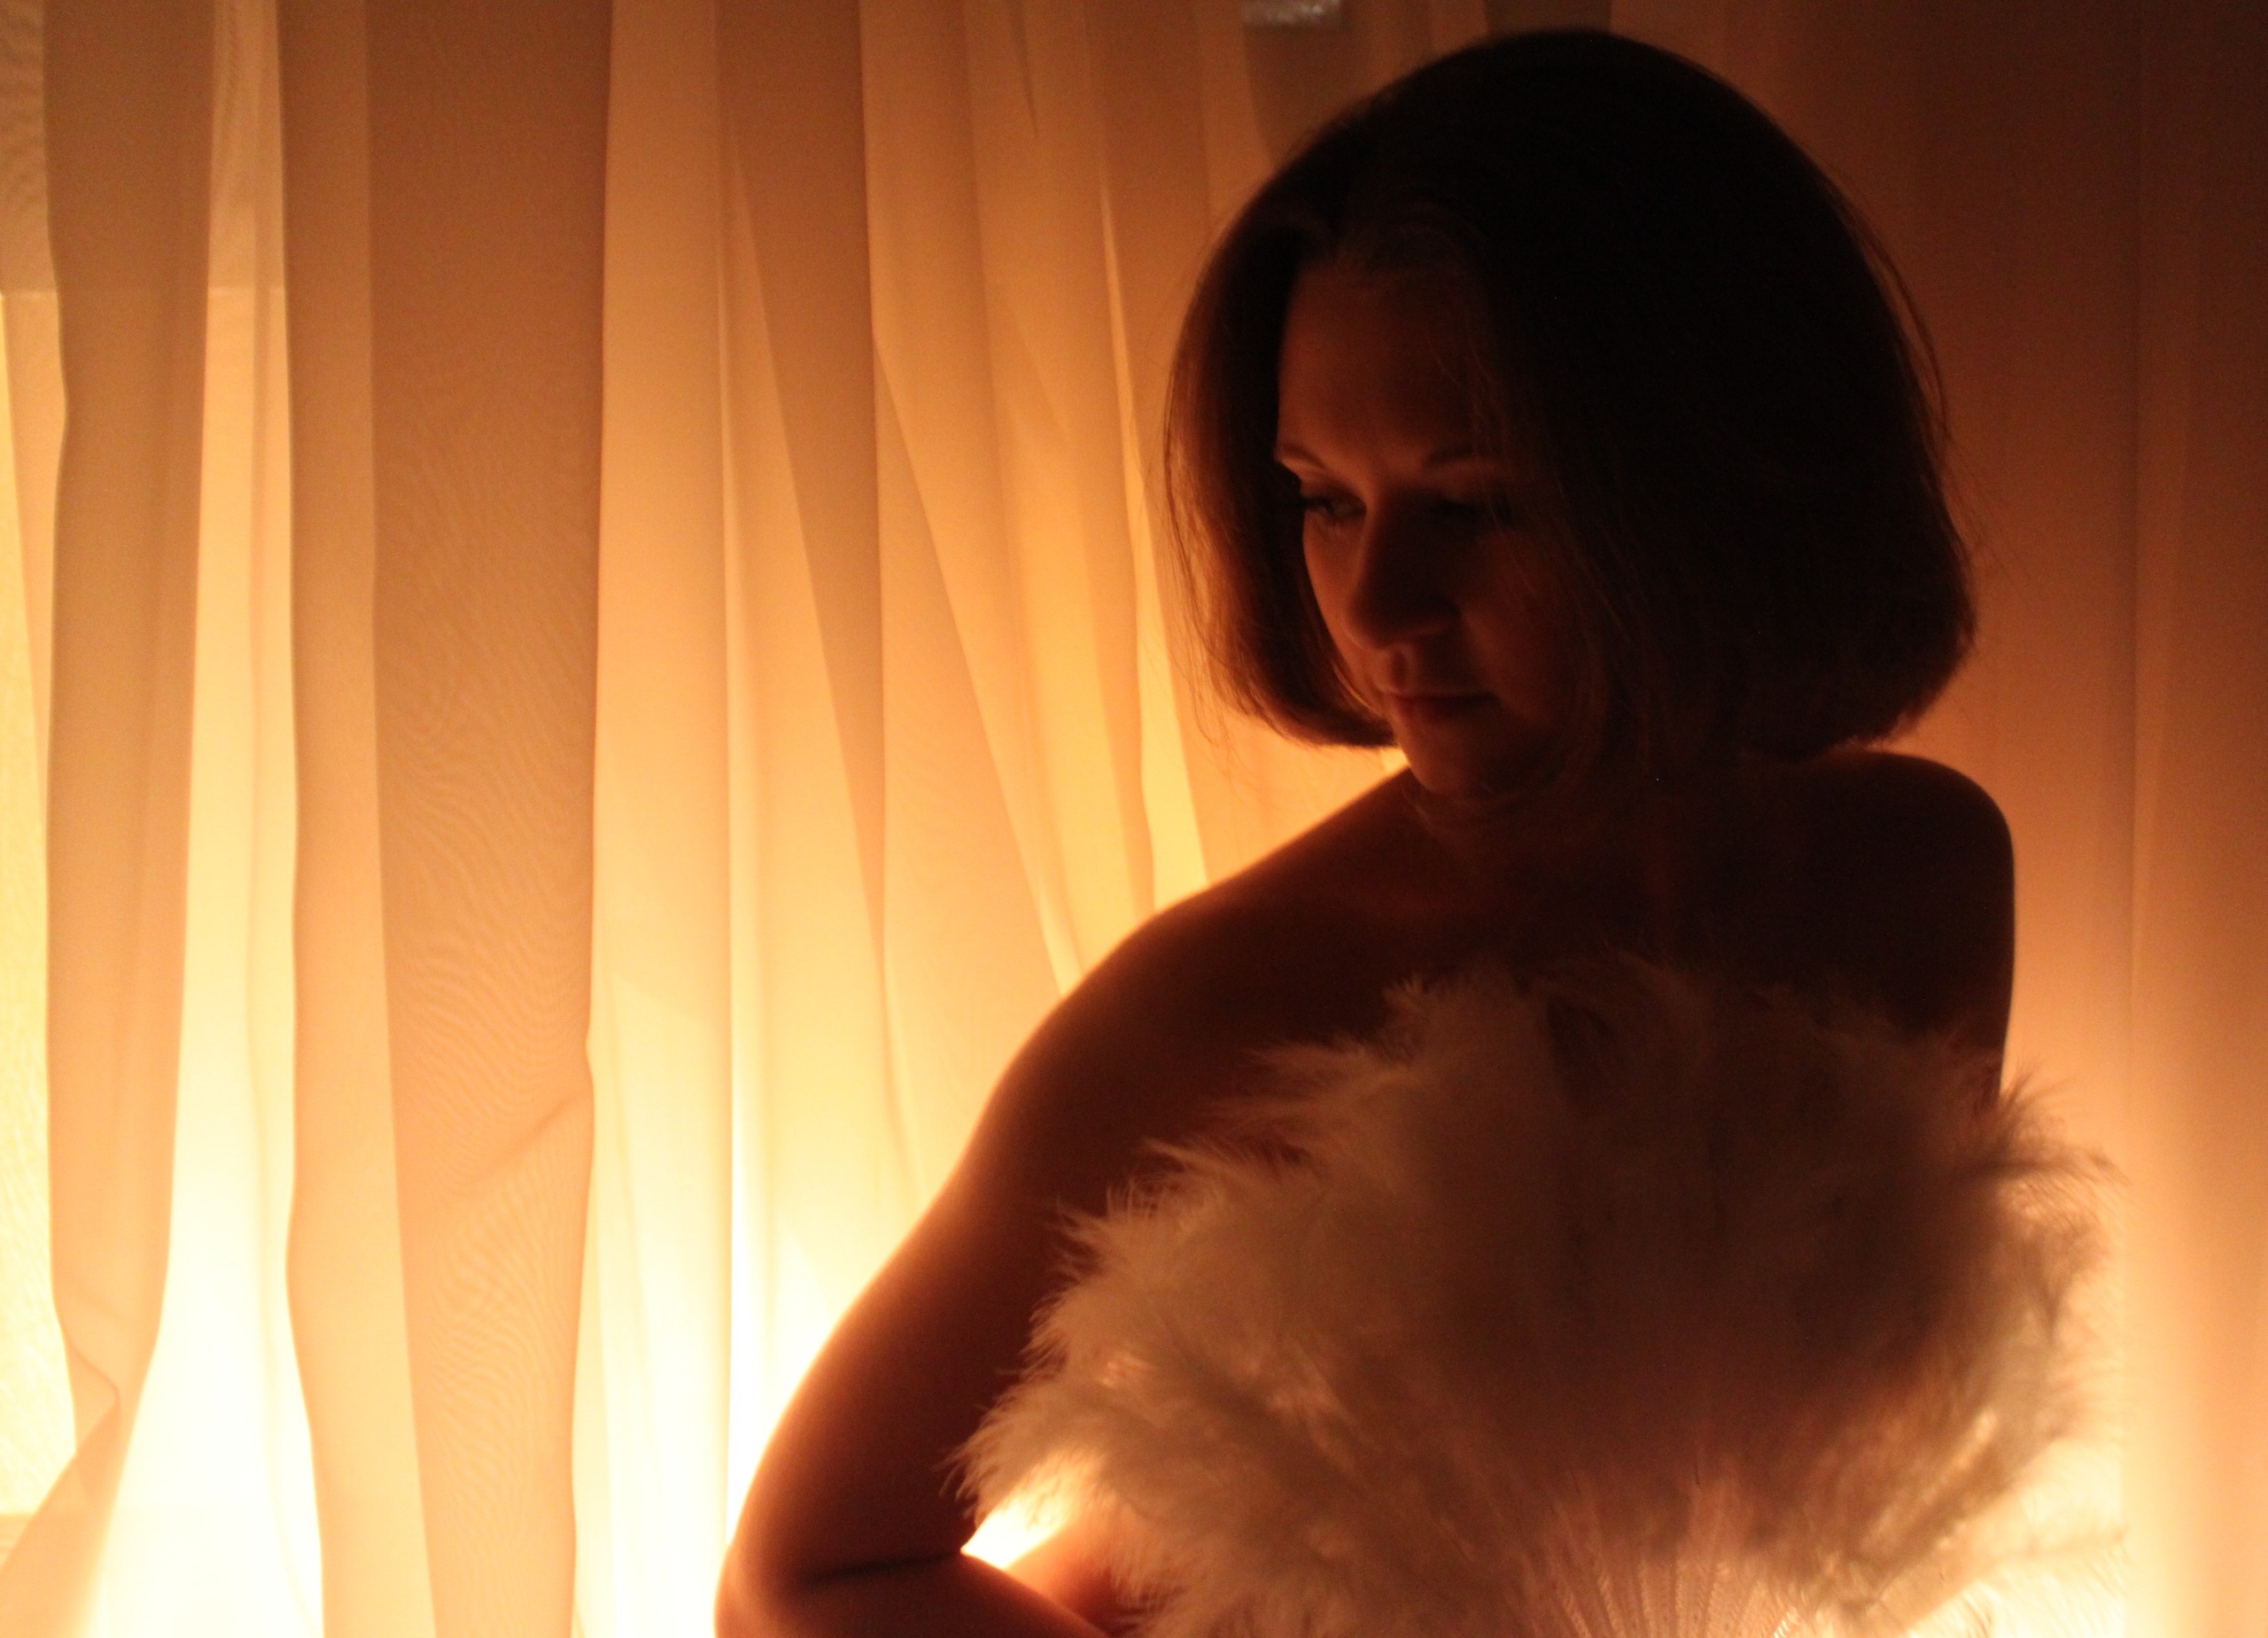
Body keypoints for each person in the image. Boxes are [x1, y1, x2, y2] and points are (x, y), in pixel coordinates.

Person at [716, 29, 2055, 1638]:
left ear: (1709, 478)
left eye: (1471, 503)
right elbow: (798, 1577)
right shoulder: (1224, 1011)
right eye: (1323, 499)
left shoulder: (1923, 882)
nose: (1376, 603)